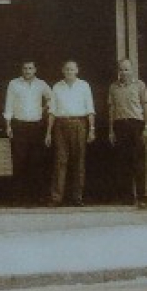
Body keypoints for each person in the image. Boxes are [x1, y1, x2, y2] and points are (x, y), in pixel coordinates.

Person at [45, 60, 95, 207]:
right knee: (60, 161)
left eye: (72, 69)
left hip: (79, 123)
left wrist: (92, 129)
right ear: (62, 71)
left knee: (79, 162)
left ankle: (77, 197)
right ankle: (57, 198)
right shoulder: (57, 87)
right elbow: (52, 111)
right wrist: (48, 133)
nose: (69, 72)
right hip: (60, 125)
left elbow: (90, 109)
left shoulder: (84, 86)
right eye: (66, 69)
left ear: (77, 70)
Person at [3, 60, 52, 205]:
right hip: (19, 125)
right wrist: (8, 126)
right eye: (25, 68)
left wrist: (43, 109)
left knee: (36, 162)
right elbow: (8, 105)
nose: (27, 71)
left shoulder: (41, 84)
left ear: (35, 70)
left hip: (36, 126)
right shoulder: (14, 84)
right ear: (21, 69)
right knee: (19, 162)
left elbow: (52, 97)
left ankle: (36, 197)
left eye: (30, 68)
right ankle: (18, 198)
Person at [108, 59, 147, 209]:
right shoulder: (113, 87)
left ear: (132, 70)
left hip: (136, 125)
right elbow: (112, 110)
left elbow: (146, 106)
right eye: (121, 70)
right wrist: (111, 130)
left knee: (139, 162)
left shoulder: (140, 85)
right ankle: (127, 197)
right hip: (120, 125)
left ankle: (142, 197)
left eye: (126, 69)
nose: (123, 72)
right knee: (124, 163)